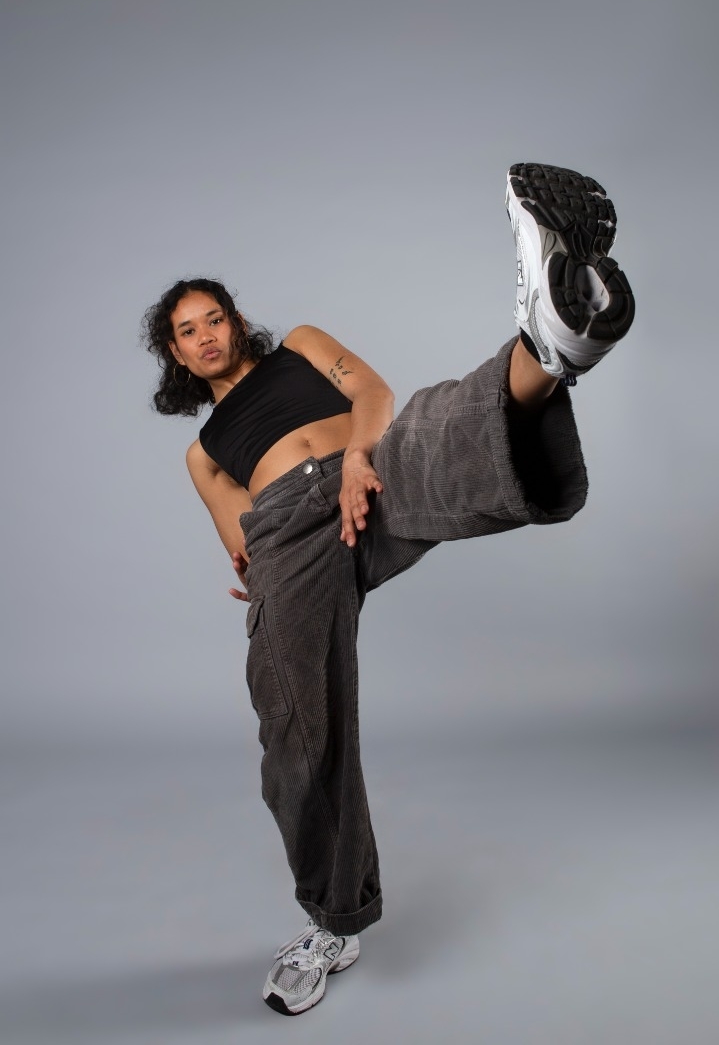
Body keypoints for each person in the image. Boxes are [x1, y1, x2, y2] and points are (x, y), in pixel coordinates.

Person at [141, 163, 634, 1016]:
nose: (206, 335)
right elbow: (242, 544)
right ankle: (333, 923)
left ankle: (555, 340)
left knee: (436, 430)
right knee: (295, 732)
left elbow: (371, 391)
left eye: (213, 317)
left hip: (362, 470)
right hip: (289, 539)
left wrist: (357, 460)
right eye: (188, 331)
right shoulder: (203, 453)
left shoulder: (298, 344)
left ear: (234, 320)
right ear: (176, 353)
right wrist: (261, 586)